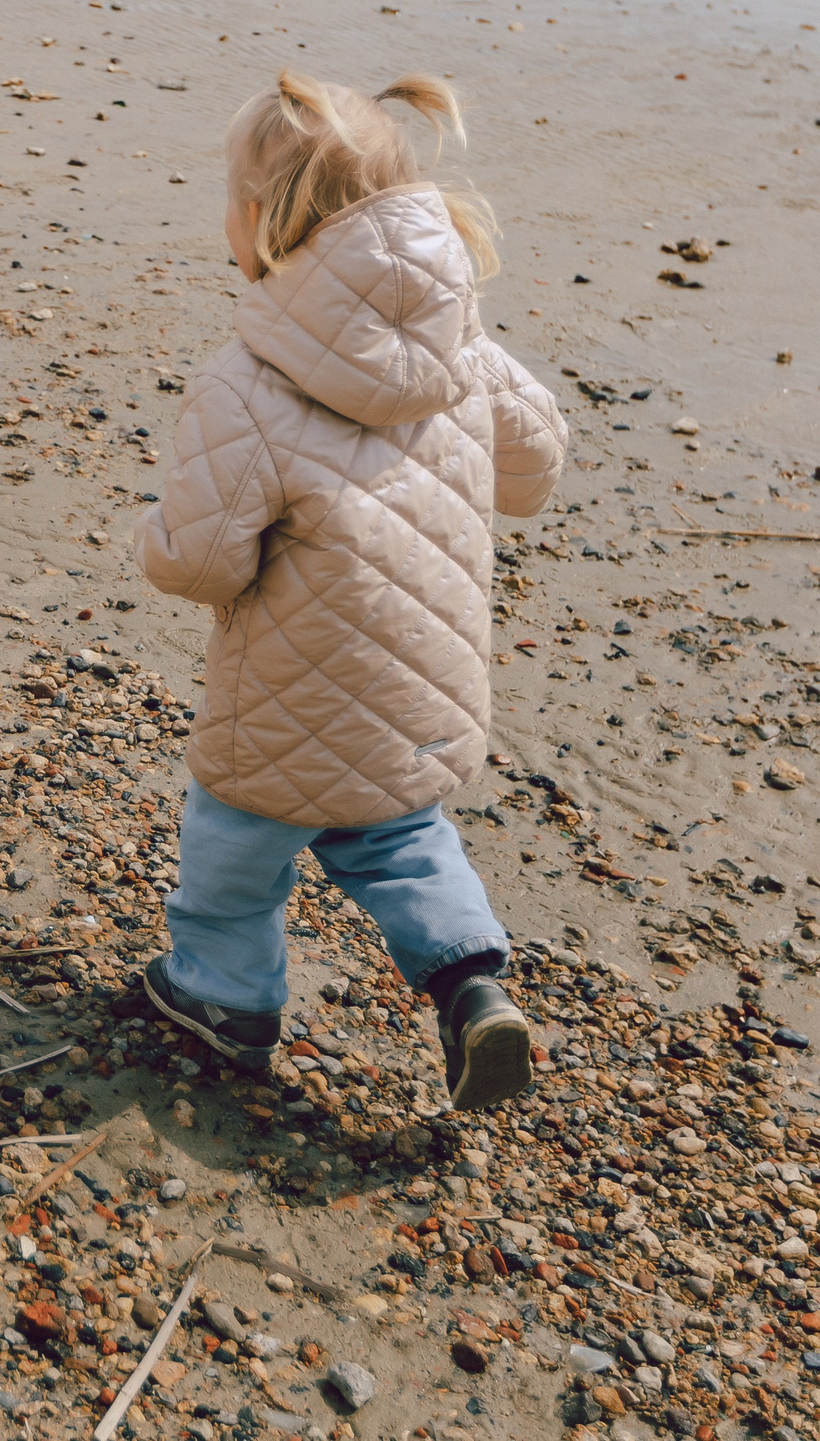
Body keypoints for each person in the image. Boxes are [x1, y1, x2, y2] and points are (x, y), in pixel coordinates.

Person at [132, 68, 569, 1114]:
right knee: (402, 839)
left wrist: (151, 537)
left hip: (284, 690)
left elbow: (199, 562)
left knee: (232, 846)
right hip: (422, 685)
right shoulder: (465, 352)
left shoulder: (246, 379)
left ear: (262, 224)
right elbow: (536, 469)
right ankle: (470, 985)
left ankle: (219, 997)